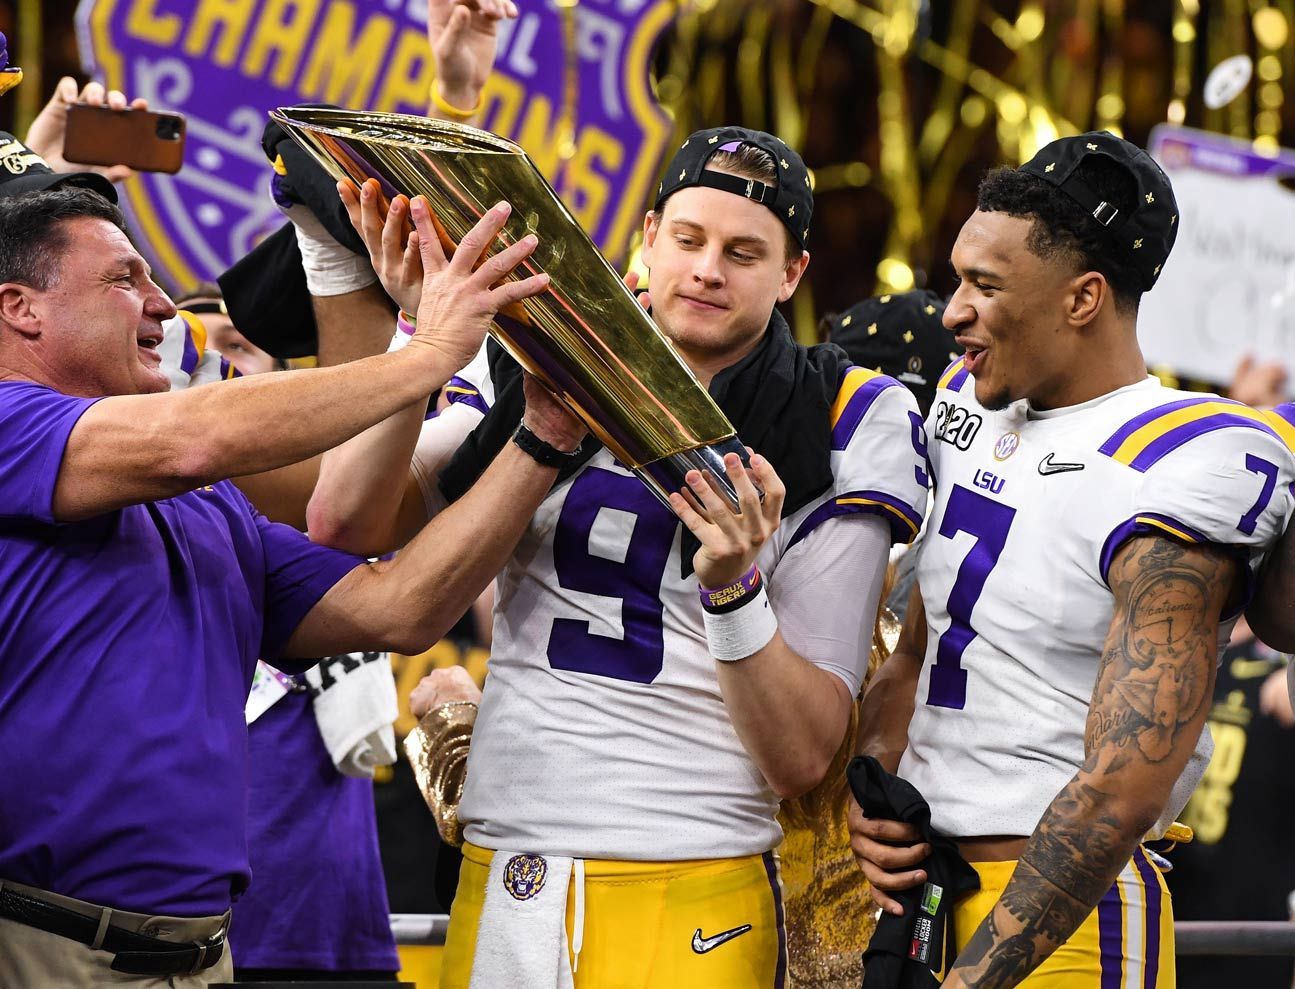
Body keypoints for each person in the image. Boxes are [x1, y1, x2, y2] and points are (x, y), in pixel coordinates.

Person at [307, 129, 929, 987]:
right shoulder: (530, 349)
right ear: (647, 235)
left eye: (744, 253)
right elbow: (345, 519)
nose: (708, 269)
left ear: (791, 274)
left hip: (690, 869)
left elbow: (801, 756)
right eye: (689, 239)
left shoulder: (843, 411)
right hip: (502, 861)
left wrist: (735, 591)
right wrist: (424, 357)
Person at [0, 186, 583, 986]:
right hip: (39, 945)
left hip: (204, 955)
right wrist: (427, 352)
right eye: (123, 279)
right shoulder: (10, 427)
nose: (163, 305)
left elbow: (400, 605)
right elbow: (195, 437)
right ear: (20, 307)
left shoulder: (208, 508)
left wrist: (541, 439)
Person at [849, 132, 1295, 988]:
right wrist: (875, 791)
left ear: (1083, 297)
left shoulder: (1186, 455)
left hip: (1068, 920)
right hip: (930, 896)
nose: (950, 312)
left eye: (984, 285)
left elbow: (1119, 790)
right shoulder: (964, 398)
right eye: (957, 278)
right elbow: (922, 638)